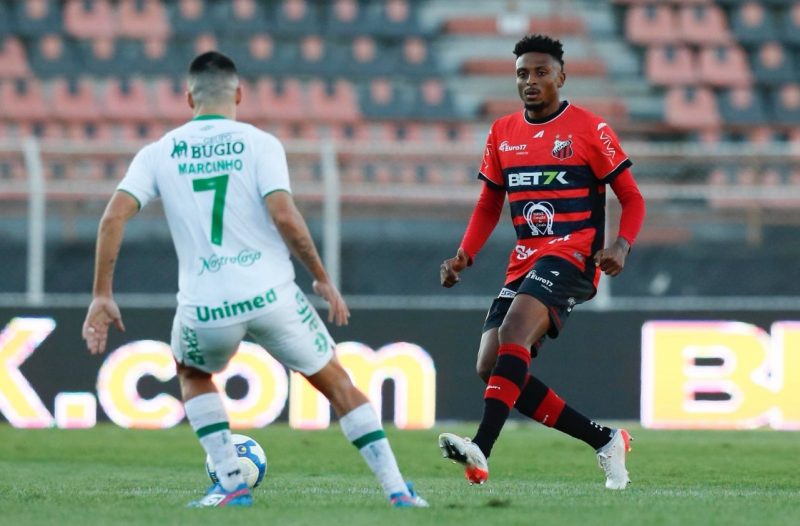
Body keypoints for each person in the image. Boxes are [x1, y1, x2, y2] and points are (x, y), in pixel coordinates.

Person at [82, 51, 427, 509]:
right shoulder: (260, 144)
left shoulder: (158, 152)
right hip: (273, 295)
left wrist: (102, 294)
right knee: (338, 384)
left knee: (193, 373)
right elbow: (284, 215)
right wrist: (321, 277)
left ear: (188, 97)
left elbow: (112, 218)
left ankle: (230, 485)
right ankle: (398, 491)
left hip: (206, 302)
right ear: (239, 94)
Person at [437, 35, 646, 490]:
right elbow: (490, 202)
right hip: (525, 261)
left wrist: (621, 247)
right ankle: (606, 440)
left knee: (513, 334)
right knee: (491, 366)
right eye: (522, 74)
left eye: (540, 72)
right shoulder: (502, 132)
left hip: (572, 256)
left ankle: (482, 448)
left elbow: (631, 197)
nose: (530, 81)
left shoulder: (590, 129)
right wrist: (463, 255)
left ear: (561, 77)